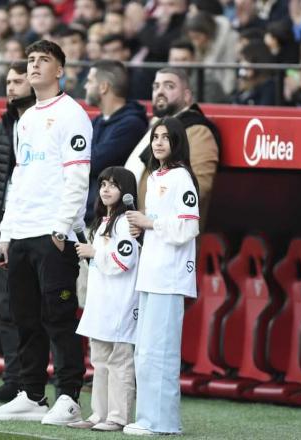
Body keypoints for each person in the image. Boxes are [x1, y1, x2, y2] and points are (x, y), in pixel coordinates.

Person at [0, 40, 91, 425]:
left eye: (43, 60)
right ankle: (31, 394)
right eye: (30, 60)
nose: (34, 66)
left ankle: (69, 396)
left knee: (58, 317)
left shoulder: (73, 114)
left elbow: (78, 176)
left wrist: (62, 230)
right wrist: (7, 235)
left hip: (53, 234)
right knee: (25, 318)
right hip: (23, 232)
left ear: (60, 69)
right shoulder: (26, 118)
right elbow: (19, 177)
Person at [124, 116, 200, 435]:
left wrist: (149, 223)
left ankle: (162, 422)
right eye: (155, 137)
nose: (158, 143)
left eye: (165, 138)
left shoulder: (182, 177)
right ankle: (147, 418)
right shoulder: (155, 176)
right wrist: (142, 227)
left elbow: (189, 226)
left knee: (161, 351)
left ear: (177, 142)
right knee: (145, 351)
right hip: (152, 273)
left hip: (169, 276)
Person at [0, 61, 36, 404]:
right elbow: (4, 179)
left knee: (40, 309)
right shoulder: (2, 127)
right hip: (2, 226)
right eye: (8, 82)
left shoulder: (48, 122)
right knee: (5, 307)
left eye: (18, 81)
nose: (11, 87)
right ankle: (13, 380)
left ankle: (43, 382)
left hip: (37, 227)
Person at [69, 166, 140, 432]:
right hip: (100, 304)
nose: (106, 189)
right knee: (99, 362)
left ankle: (118, 417)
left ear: (126, 191)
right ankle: (99, 414)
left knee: (119, 361)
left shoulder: (126, 223)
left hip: (120, 303)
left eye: (113, 184)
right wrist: (93, 252)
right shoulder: (101, 223)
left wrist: (94, 251)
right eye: (103, 185)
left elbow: (124, 261)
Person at [124, 67, 220, 232]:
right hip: (141, 232)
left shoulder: (198, 131)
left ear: (187, 96)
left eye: (169, 86)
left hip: (171, 240)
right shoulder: (156, 126)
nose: (160, 91)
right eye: (156, 87)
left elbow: (198, 188)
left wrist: (148, 217)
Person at [83, 60, 147, 225]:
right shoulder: (96, 121)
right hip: (87, 214)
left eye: (90, 81)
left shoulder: (132, 124)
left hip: (110, 220)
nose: (85, 86)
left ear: (103, 87)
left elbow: (91, 162)